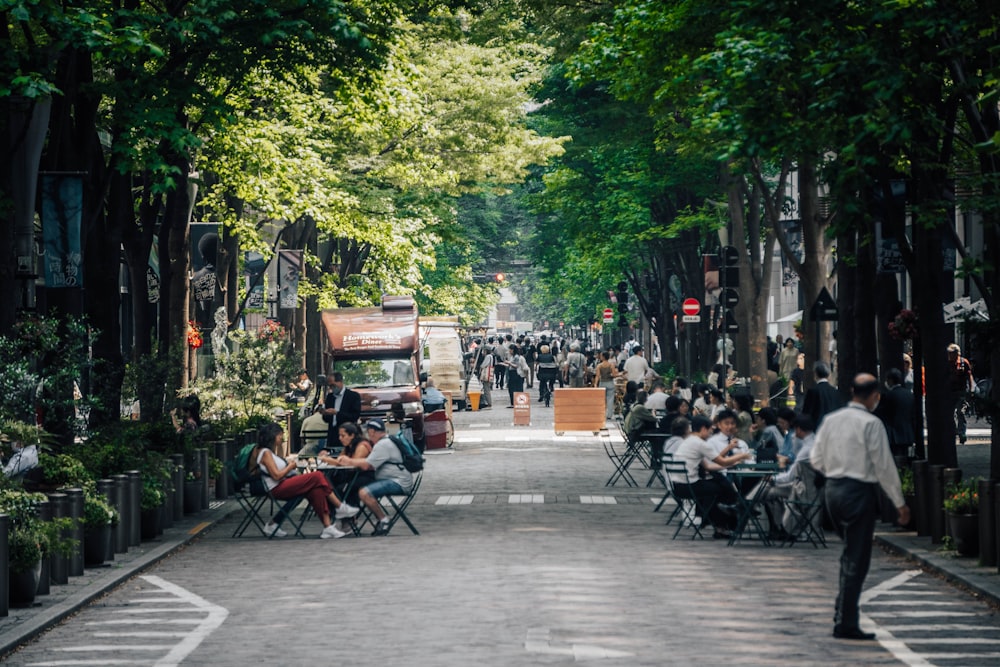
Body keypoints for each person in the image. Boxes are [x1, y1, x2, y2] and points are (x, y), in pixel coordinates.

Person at [810, 373, 909, 640]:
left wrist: (834, 471)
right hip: (858, 492)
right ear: (874, 395)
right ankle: (846, 621)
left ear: (852, 391)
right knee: (857, 557)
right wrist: (899, 503)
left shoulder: (831, 420)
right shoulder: (871, 423)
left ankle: (842, 610)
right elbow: (884, 466)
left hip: (832, 490)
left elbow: (815, 459)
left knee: (849, 553)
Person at [255, 422, 359, 539]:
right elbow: (276, 476)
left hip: (284, 484)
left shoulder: (272, 452)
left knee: (316, 489)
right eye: (280, 435)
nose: (281, 438)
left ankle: (328, 527)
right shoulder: (265, 453)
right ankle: (340, 507)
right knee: (317, 476)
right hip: (276, 488)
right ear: (273, 436)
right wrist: (290, 467)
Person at [668, 415, 751, 539]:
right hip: (688, 486)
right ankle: (731, 516)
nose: (711, 433)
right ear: (703, 429)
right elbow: (721, 461)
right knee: (722, 488)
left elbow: (708, 466)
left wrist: (731, 464)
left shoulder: (690, 441)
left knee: (719, 484)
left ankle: (721, 522)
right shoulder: (700, 444)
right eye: (710, 430)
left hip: (678, 485)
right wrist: (742, 456)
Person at [337, 419, 414, 536]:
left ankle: (384, 520)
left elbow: (368, 464)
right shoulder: (385, 442)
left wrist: (350, 461)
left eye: (368, 432)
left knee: (364, 493)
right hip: (395, 478)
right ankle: (350, 519)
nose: (368, 435)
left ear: (372, 431)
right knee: (354, 486)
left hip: (397, 481)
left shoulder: (383, 445)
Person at [318, 422, 375, 527]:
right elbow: (341, 460)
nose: (340, 438)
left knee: (339, 489)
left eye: (343, 436)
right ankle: (339, 515)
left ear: (352, 435)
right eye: (339, 435)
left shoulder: (362, 446)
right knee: (327, 486)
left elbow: (353, 464)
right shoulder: (348, 446)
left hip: (365, 476)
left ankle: (346, 517)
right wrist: (329, 457)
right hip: (352, 476)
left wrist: (329, 460)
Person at [875, 368, 915, 459]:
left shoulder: (888, 395)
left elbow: (882, 414)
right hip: (907, 434)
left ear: (890, 380)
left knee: (894, 460)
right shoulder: (909, 395)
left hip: (893, 436)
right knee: (905, 459)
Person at [801, 361, 844, 429]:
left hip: (817, 429)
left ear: (815, 374)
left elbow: (806, 413)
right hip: (833, 428)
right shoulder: (835, 391)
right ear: (828, 374)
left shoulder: (812, 391)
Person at [323, 372, 362, 446]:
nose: (332, 388)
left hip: (347, 432)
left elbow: (355, 416)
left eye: (333, 385)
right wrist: (325, 413)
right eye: (330, 386)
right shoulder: (330, 397)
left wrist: (337, 413)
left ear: (340, 382)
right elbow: (326, 419)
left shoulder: (353, 396)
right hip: (333, 434)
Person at [946, 343, 975, 444]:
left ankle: (962, 433)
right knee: (950, 413)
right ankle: (953, 431)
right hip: (949, 392)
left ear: (957, 353)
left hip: (961, 392)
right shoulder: (946, 363)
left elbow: (969, 376)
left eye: (952, 353)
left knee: (961, 412)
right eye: (949, 353)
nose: (950, 355)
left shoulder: (963, 362)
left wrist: (971, 390)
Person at [592, 351, 620, 419]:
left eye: (601, 356)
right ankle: (609, 415)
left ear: (603, 357)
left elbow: (597, 376)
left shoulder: (599, 366)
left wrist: (595, 384)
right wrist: (618, 374)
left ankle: (602, 413)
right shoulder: (611, 365)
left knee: (602, 399)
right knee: (610, 399)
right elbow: (613, 375)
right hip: (610, 383)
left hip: (602, 383)